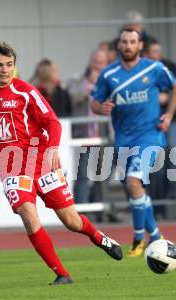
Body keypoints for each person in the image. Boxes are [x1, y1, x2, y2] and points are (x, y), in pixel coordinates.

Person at [0, 43, 122, 286]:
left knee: (71, 221)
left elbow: (53, 123)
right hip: (12, 167)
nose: (5, 70)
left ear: (15, 66)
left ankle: (99, 237)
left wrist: (53, 148)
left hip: (41, 160)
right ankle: (62, 274)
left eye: (9, 65)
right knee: (28, 214)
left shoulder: (26, 91)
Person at [91, 28, 176, 257]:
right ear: (119, 46)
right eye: (124, 42)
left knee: (133, 182)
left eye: (133, 41)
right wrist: (100, 108)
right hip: (123, 139)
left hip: (150, 136)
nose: (128, 45)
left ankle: (138, 239)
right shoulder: (109, 74)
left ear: (140, 45)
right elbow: (95, 101)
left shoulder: (154, 68)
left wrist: (169, 114)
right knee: (135, 190)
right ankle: (157, 235)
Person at [144, 40, 176, 215]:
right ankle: (156, 203)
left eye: (158, 51)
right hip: (149, 122)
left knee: (172, 158)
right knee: (155, 163)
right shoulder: (142, 70)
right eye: (152, 52)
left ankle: (170, 196)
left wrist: (168, 96)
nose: (156, 55)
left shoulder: (171, 68)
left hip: (171, 120)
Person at [67, 49, 108, 220]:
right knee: (82, 174)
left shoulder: (110, 80)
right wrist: (88, 87)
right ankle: (81, 213)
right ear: (91, 61)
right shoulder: (77, 80)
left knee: (102, 176)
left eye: (101, 62)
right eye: (95, 61)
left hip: (104, 135)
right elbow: (73, 97)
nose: (97, 65)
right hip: (83, 136)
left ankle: (101, 212)